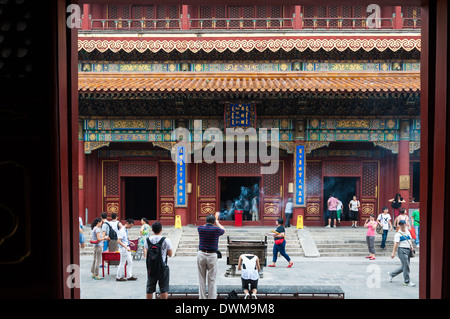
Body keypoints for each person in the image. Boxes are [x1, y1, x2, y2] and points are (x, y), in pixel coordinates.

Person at [197, 212, 225, 299]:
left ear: (205, 221)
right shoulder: (216, 230)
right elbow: (223, 230)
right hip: (212, 255)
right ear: (213, 222)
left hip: (201, 254)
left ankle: (202, 298)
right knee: (212, 279)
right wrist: (217, 222)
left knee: (201, 279)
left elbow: (204, 226)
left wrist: (211, 222)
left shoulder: (200, 228)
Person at [145, 221, 173, 299]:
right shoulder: (166, 240)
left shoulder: (148, 240)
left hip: (151, 267)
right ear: (161, 229)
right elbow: (170, 254)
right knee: (163, 289)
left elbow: (147, 251)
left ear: (152, 230)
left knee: (149, 288)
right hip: (162, 267)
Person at [389, 220, 416, 287]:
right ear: (399, 225)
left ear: (405, 224)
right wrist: (393, 253)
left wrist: (411, 247)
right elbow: (395, 244)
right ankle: (407, 282)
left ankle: (392, 274)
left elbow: (410, 240)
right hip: (402, 250)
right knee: (406, 266)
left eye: (403, 224)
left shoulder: (408, 232)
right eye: (400, 224)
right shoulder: (398, 234)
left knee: (405, 266)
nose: (402, 225)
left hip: (408, 250)